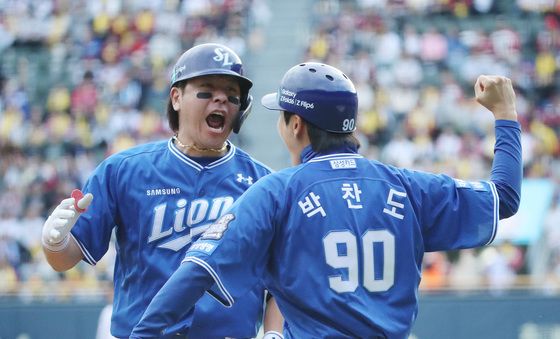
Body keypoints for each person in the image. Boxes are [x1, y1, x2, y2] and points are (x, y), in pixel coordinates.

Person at [130, 62, 522, 338]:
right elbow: (504, 198)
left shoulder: (276, 191)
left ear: (296, 124)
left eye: (282, 115)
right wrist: (505, 113)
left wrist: (144, 334)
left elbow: (196, 270)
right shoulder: (408, 187)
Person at [41, 43, 283, 339]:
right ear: (176, 97)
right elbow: (65, 260)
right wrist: (54, 243)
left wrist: (274, 334)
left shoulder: (264, 183)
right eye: (206, 90)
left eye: (232, 95)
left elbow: (280, 284)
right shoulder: (123, 171)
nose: (221, 99)